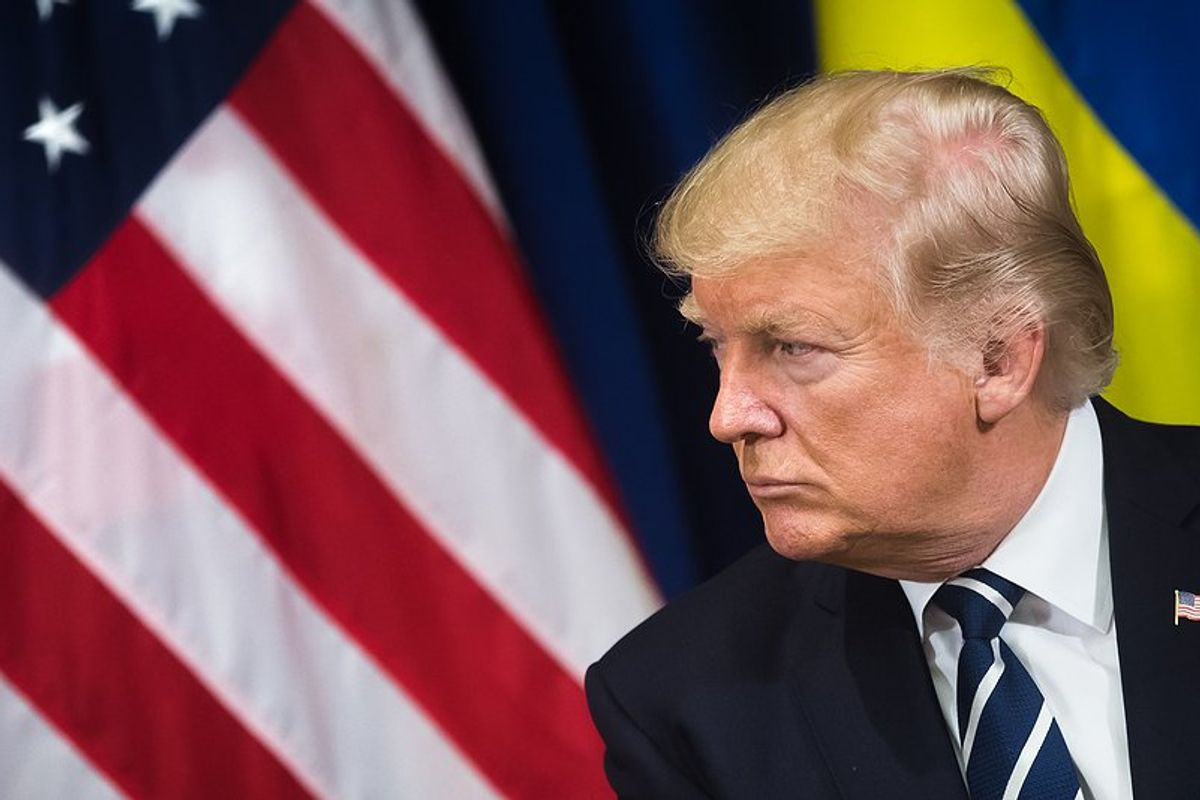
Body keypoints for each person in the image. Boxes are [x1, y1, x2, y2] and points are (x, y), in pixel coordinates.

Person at [585, 69, 1200, 799]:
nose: (729, 417)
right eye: (716, 346)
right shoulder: (683, 700)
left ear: (998, 360)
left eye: (793, 347)